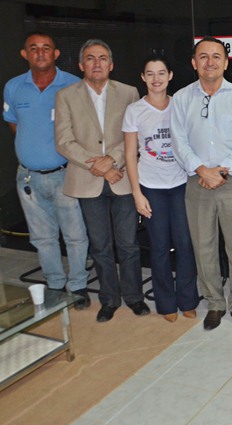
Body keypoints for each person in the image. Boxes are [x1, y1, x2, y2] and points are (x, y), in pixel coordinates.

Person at [55, 39, 149, 323]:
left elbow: (137, 135)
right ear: (82, 64)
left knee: (129, 244)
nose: (97, 63)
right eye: (91, 58)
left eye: (103, 58)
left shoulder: (130, 92)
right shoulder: (66, 95)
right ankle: (109, 299)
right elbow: (63, 141)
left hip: (122, 178)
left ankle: (134, 297)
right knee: (100, 245)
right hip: (87, 180)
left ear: (111, 64)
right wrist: (99, 165)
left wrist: (113, 160)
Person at [171, 37, 232, 331]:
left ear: (226, 61)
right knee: (203, 246)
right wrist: (201, 170)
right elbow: (178, 141)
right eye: (203, 57)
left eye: (216, 56)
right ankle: (215, 303)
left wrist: (223, 171)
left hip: (231, 182)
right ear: (194, 63)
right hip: (196, 183)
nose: (210, 62)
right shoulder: (181, 98)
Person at [3, 32, 90, 309]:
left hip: (66, 174)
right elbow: (15, 125)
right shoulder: (14, 87)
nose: (40, 53)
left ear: (56, 54)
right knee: (42, 237)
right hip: (28, 178)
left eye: (46, 48)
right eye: (34, 48)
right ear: (24, 54)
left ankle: (77, 286)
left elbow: (84, 131)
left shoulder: (74, 85)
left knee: (75, 235)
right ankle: (54, 283)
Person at [123, 55, 199, 323]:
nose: (156, 79)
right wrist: (136, 193)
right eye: (150, 73)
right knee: (159, 247)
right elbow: (130, 155)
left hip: (180, 184)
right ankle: (166, 303)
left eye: (161, 73)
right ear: (143, 78)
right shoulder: (135, 111)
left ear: (170, 76)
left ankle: (188, 299)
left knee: (185, 244)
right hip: (151, 186)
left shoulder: (181, 104)